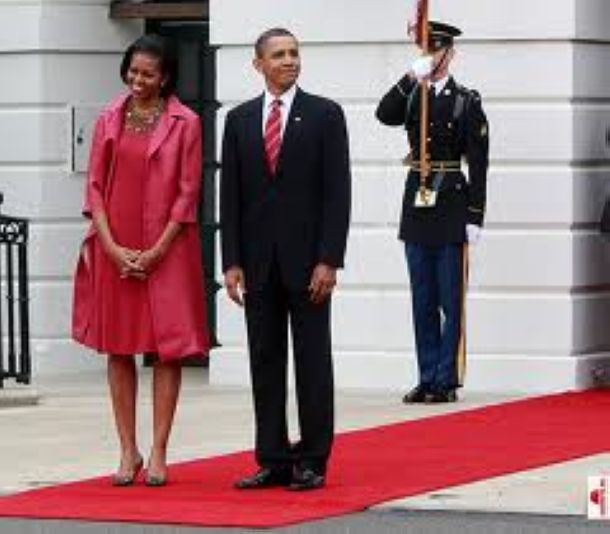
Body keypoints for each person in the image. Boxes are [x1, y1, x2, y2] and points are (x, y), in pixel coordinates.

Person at [72, 34, 210, 486]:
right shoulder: (109, 118)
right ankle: (127, 449)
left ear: (165, 76)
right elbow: (95, 188)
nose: (138, 80)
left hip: (168, 249)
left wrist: (156, 251)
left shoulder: (186, 122)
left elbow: (188, 193)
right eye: (133, 71)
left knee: (167, 350)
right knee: (118, 348)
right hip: (115, 246)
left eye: (148, 73)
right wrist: (112, 248)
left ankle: (158, 450)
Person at [220, 28, 351, 491]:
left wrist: (329, 259)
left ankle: (313, 458)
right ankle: (273, 458)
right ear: (258, 64)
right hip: (258, 264)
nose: (289, 60)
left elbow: (338, 193)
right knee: (265, 360)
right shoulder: (238, 120)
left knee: (313, 361)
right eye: (278, 55)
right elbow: (230, 196)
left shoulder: (325, 115)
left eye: (294, 53)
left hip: (309, 264)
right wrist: (231, 261)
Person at [375, 21, 489, 404]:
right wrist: (410, 77)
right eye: (426, 50)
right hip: (417, 205)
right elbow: (383, 113)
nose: (432, 56)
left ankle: (446, 379)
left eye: (437, 50)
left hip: (452, 204)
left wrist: (475, 215)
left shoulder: (465, 101)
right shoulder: (413, 96)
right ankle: (426, 376)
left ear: (450, 54)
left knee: (449, 301)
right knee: (422, 298)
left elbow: (479, 164)